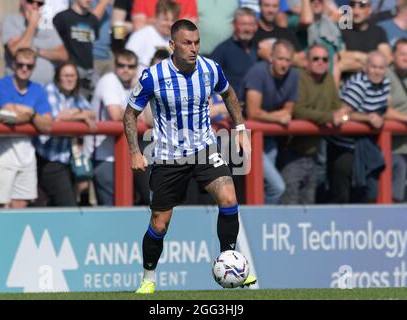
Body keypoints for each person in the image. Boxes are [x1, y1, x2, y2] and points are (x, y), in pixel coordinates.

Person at [123, 20, 256, 294]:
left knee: (229, 199)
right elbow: (130, 113)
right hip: (169, 158)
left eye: (196, 43)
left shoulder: (209, 69)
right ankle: (149, 277)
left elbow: (229, 94)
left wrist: (240, 129)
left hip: (205, 150)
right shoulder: (153, 76)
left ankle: (230, 263)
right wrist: (135, 152)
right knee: (160, 222)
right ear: (172, 45)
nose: (193, 49)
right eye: (187, 43)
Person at [280, 44, 346, 204]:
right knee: (289, 201)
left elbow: (337, 107)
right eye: (315, 58)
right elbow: (297, 110)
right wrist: (329, 117)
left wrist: (338, 115)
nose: (320, 62)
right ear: (306, 62)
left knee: (308, 205)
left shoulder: (329, 79)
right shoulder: (297, 76)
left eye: (325, 59)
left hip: (315, 153)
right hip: (291, 151)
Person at [326, 51, 390, 203]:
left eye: (381, 68)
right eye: (373, 67)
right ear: (365, 67)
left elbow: (384, 108)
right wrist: (368, 118)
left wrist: (380, 117)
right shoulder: (358, 85)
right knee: (342, 195)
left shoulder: (386, 83)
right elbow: (342, 113)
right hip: (344, 145)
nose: (377, 71)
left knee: (368, 192)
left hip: (365, 145)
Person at [0, 48, 53, 208]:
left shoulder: (38, 89)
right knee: (0, 205)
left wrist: (30, 114)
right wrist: (33, 116)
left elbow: (47, 125)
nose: (24, 69)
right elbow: (10, 115)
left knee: (21, 205)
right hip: (2, 151)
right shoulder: (1, 84)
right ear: (13, 65)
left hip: (27, 151)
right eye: (20, 65)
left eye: (29, 66)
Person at [240, 39, 299, 204]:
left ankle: (261, 221)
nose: (284, 64)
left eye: (288, 60)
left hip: (268, 138)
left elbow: (289, 111)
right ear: (271, 58)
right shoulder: (258, 72)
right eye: (280, 59)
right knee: (277, 187)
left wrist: (273, 116)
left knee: (265, 186)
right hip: (243, 139)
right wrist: (277, 117)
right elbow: (252, 113)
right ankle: (261, 220)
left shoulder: (293, 75)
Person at [33, 61, 96, 206]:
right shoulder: (50, 89)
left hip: (67, 159)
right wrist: (81, 116)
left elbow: (92, 114)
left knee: (61, 205)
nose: (69, 79)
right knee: (67, 205)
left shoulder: (75, 96)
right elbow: (58, 117)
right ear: (58, 78)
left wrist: (76, 112)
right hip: (48, 158)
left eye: (72, 76)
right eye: (65, 76)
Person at [84, 49, 139, 206]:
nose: (126, 69)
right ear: (115, 66)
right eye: (121, 65)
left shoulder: (134, 84)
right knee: (110, 204)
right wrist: (138, 113)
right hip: (101, 154)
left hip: (123, 154)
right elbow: (116, 114)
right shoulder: (109, 80)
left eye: (130, 66)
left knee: (128, 201)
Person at [384, 38, 407, 202]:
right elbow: (383, 110)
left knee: (397, 199)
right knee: (380, 197)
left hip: (405, 148)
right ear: (393, 55)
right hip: (383, 146)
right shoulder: (384, 74)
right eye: (402, 54)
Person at [2, 0, 68, 85]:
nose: (35, 6)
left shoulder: (46, 24)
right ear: (22, 1)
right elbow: (16, 51)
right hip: (18, 88)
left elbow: (64, 55)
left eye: (40, 4)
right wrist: (32, 24)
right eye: (31, 1)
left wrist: (38, 51)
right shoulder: (11, 20)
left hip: (46, 88)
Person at [53, 0, 101, 98]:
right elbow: (53, 44)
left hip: (89, 73)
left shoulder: (93, 20)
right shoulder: (61, 18)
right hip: (69, 72)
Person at [125, 0, 181, 74]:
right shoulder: (140, 35)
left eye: (173, 20)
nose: (169, 24)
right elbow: (126, 63)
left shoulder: (178, 39)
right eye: (165, 20)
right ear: (156, 18)